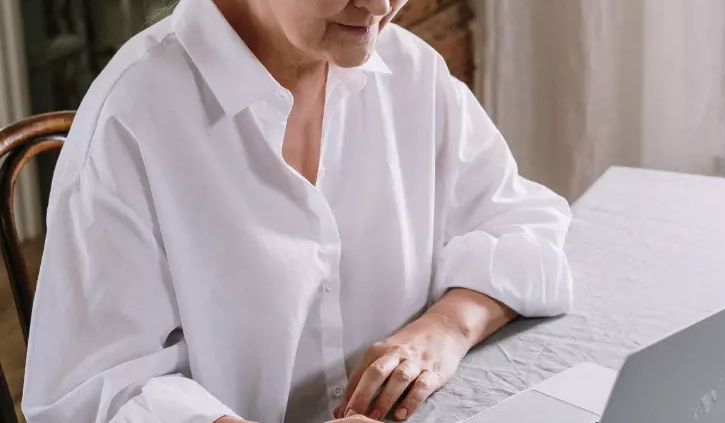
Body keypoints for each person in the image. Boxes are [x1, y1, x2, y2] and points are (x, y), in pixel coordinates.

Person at [20, 0, 573, 422]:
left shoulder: (411, 72)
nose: (381, 5)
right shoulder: (132, 120)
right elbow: (94, 396)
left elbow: (522, 226)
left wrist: (443, 329)